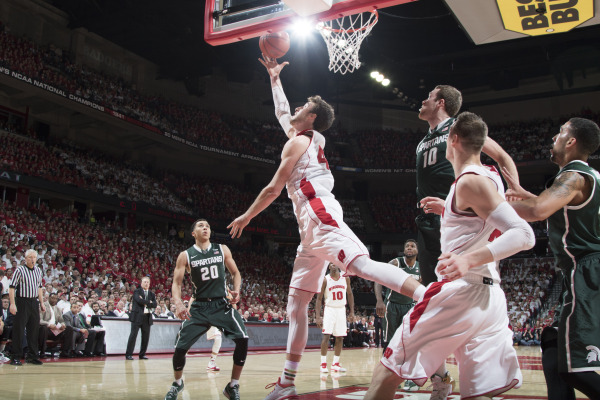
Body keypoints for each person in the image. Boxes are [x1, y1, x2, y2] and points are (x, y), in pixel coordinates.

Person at [228, 56, 425, 400]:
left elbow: (274, 188)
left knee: (361, 266)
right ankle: (287, 382)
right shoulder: (308, 138)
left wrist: (247, 216)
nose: (297, 108)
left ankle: (427, 295)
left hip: (319, 213)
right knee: (296, 306)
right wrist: (274, 79)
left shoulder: (299, 142)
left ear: (312, 116)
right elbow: (282, 114)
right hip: (309, 233)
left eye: (303, 106)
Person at [364, 112, 535, 400]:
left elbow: (524, 234)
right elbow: (483, 221)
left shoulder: (469, 181)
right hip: (489, 299)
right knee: (478, 393)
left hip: (461, 290)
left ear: (453, 140)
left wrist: (468, 259)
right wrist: (450, 210)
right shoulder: (489, 176)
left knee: (388, 369)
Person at [415, 85, 520, 398]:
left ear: (441, 103)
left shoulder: (457, 129)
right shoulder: (423, 140)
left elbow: (502, 157)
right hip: (431, 224)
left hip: (462, 226)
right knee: (426, 299)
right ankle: (442, 378)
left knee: (460, 296)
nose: (422, 100)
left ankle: (482, 371)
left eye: (428, 96)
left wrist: (512, 192)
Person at [504, 117, 600, 400]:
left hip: (584, 270)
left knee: (574, 369)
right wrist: (528, 197)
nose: (553, 138)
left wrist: (487, 199)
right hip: (582, 272)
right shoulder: (588, 177)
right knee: (553, 348)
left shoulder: (573, 177)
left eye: (560, 133)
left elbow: (538, 210)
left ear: (571, 141)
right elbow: (559, 209)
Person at [164, 219, 248, 400]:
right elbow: (176, 283)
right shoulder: (185, 255)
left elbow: (236, 273)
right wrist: (178, 303)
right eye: (201, 226)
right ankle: (177, 383)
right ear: (193, 233)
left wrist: (236, 290)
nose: (205, 228)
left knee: (243, 338)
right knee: (179, 348)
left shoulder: (222, 249)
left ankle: (233, 385)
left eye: (208, 226)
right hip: (199, 306)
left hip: (221, 305)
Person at [374, 239, 420, 392]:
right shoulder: (396, 262)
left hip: (410, 306)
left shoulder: (421, 268)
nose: (409, 248)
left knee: (408, 342)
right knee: (390, 342)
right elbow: (378, 277)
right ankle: (387, 375)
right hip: (392, 305)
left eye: (412, 246)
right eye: (407, 246)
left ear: (417, 251)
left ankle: (408, 377)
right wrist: (379, 300)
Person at [8, 248, 45, 365]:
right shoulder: (19, 270)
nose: (33, 259)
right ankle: (16, 356)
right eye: (30, 257)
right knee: (18, 330)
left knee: (33, 330)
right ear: (25, 259)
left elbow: (39, 287)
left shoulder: (39, 271)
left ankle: (32, 356)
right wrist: (13, 304)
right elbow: (12, 287)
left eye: (34, 257)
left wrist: (42, 302)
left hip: (34, 302)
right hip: (21, 301)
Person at [315, 263, 353, 374]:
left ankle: (335, 364)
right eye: (330, 263)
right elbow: (318, 299)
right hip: (330, 309)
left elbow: (350, 294)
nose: (333, 265)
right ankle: (323, 364)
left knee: (340, 337)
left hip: (341, 309)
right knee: (326, 336)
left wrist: (352, 312)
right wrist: (318, 316)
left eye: (334, 263)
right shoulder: (325, 280)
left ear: (338, 265)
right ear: (328, 266)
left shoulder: (345, 278)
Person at [125, 276, 157, 360]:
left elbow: (155, 304)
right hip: (137, 317)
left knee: (145, 337)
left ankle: (142, 354)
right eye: (145, 282)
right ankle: (129, 354)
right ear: (141, 283)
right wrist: (148, 302)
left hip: (147, 317)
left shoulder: (151, 294)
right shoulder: (137, 291)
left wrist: (146, 302)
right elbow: (139, 301)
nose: (146, 283)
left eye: (148, 282)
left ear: (149, 284)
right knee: (133, 336)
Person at [38, 292, 74, 358]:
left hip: (55, 330)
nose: (54, 300)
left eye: (56, 299)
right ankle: (42, 352)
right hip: (47, 329)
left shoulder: (58, 308)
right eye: (52, 298)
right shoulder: (42, 306)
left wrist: (62, 325)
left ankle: (65, 352)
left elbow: (61, 320)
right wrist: (49, 325)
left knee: (69, 329)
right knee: (44, 328)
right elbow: (39, 320)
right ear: (48, 298)